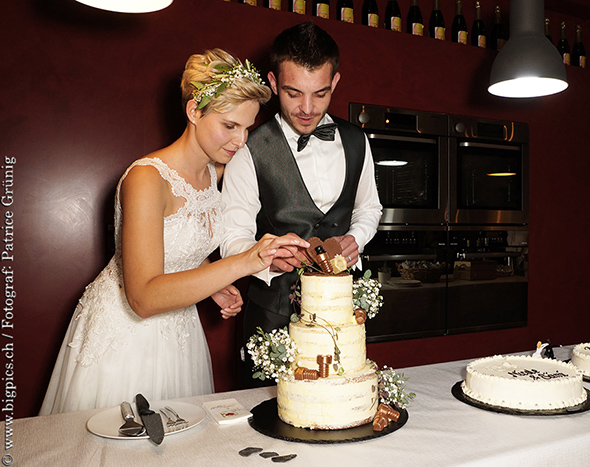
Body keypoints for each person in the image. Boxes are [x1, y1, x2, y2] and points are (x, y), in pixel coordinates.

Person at [40, 49, 309, 414]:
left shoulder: (215, 174)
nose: (241, 140)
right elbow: (144, 298)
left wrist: (209, 284)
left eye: (247, 127)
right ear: (194, 111)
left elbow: (180, 248)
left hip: (180, 332)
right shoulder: (146, 179)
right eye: (230, 125)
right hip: (125, 338)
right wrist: (242, 263)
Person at [220, 21, 382, 368]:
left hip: (341, 313)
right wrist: (266, 259)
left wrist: (357, 238)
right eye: (294, 93)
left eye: (320, 93)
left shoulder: (357, 140)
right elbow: (232, 236)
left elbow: (369, 208)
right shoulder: (248, 148)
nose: (307, 108)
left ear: (335, 82)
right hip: (272, 319)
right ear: (274, 83)